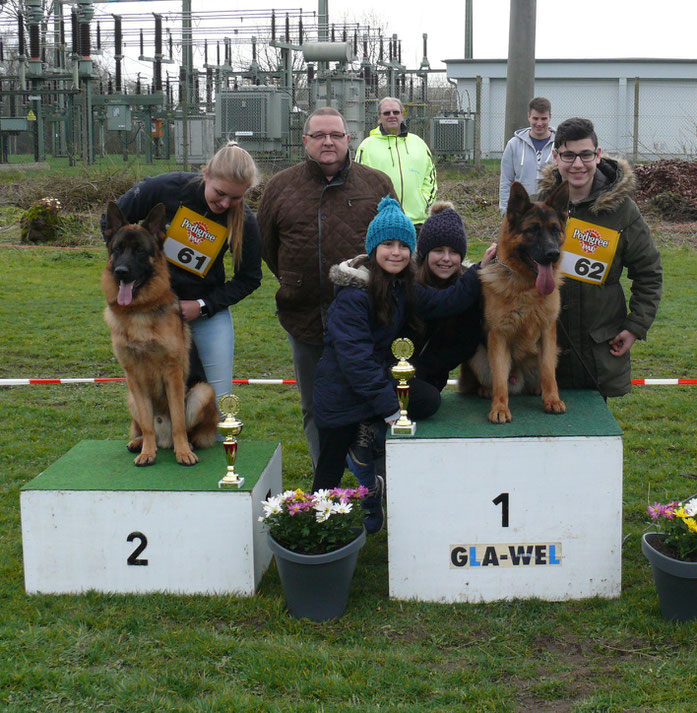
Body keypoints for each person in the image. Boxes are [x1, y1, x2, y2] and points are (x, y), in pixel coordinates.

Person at [311, 197, 494, 533]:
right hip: (341, 397)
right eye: (387, 245)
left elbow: (446, 301)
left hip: (372, 389)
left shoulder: (403, 286)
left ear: (412, 251)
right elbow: (356, 362)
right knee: (328, 473)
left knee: (425, 399)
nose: (395, 252)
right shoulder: (354, 294)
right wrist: (391, 409)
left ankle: (366, 485)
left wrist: (479, 270)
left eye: (402, 245)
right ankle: (314, 530)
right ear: (372, 248)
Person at [257, 107, 395, 469]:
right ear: (305, 142)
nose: (328, 141)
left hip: (368, 317)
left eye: (336, 134)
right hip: (305, 319)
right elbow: (268, 247)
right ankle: (326, 490)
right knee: (316, 406)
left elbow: (393, 245)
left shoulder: (377, 184)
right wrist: (295, 280)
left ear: (349, 139)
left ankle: (373, 478)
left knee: (372, 398)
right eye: (319, 135)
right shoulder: (280, 187)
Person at [102, 141, 262, 403]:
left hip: (204, 315)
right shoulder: (165, 188)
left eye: (236, 197)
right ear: (206, 174)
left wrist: (202, 306)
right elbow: (110, 223)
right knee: (154, 395)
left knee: (218, 404)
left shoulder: (245, 221)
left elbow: (250, 278)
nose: (224, 203)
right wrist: (129, 267)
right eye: (220, 192)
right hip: (149, 312)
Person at [535, 117, 663, 397]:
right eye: (568, 155)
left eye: (585, 155)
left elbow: (649, 273)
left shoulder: (624, 211)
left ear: (598, 155)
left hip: (597, 350)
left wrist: (635, 326)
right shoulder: (538, 205)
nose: (577, 164)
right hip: (541, 347)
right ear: (556, 157)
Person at [411, 202, 492, 396]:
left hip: (431, 378)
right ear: (425, 253)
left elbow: (466, 343)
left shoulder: (468, 289)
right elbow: (442, 302)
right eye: (438, 250)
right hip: (394, 371)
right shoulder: (410, 284)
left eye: (454, 252)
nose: (446, 258)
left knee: (428, 401)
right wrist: (478, 272)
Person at [355, 96, 437, 229]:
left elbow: (431, 178)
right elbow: (359, 183)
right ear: (379, 117)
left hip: (417, 222)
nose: (392, 116)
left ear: (402, 115)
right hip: (383, 221)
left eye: (396, 112)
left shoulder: (419, 143)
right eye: (386, 113)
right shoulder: (367, 146)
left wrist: (424, 202)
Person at [499, 97, 555, 214]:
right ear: (529, 116)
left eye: (544, 119)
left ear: (550, 117)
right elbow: (506, 181)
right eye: (535, 118)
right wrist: (505, 210)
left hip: (550, 211)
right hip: (522, 210)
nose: (539, 123)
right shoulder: (513, 145)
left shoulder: (560, 145)